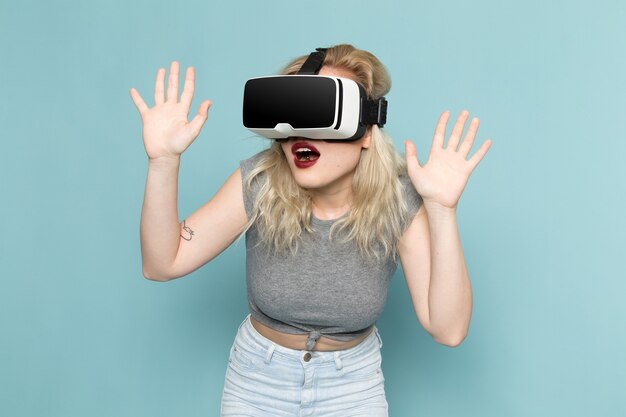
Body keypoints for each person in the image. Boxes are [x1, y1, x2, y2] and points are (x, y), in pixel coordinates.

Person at [130, 44, 492, 416]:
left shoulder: (398, 200)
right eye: (292, 115)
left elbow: (448, 329)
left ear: (366, 132)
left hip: (352, 388)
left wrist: (442, 209)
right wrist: (163, 161)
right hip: (257, 383)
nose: (301, 133)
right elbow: (161, 263)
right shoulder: (261, 182)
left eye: (320, 113)